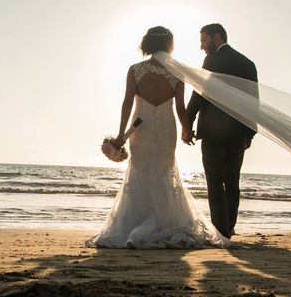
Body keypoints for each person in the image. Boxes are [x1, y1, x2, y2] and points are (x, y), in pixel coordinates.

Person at [86, 26, 228, 249]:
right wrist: (186, 129)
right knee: (163, 170)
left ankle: (134, 224)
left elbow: (127, 103)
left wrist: (121, 133)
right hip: (165, 127)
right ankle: (162, 222)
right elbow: (181, 108)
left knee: (140, 169)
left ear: (148, 44)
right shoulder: (176, 74)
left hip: (140, 127)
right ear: (169, 45)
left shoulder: (135, 70)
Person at [184, 23, 258, 239]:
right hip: (237, 132)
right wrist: (249, 132)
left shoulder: (212, 60)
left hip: (213, 131)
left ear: (216, 38)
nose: (201, 47)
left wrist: (187, 122)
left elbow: (200, 93)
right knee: (233, 180)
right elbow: (254, 101)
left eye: (204, 40)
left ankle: (220, 230)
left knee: (214, 179)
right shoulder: (248, 64)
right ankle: (229, 227)